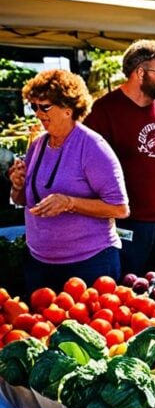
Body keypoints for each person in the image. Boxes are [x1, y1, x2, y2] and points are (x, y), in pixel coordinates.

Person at [7, 70, 129, 293]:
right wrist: (17, 186)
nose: (38, 113)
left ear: (68, 109)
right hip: (39, 263)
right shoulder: (37, 145)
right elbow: (26, 199)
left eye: (44, 107)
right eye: (34, 106)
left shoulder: (93, 146)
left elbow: (120, 208)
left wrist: (69, 202)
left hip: (89, 264)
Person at [84, 39, 155, 276]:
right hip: (127, 225)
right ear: (140, 73)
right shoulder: (104, 111)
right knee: (129, 295)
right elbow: (87, 168)